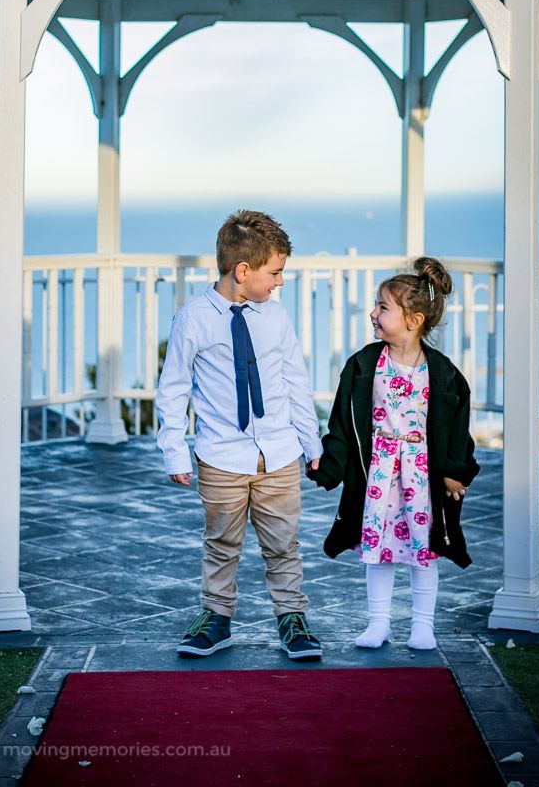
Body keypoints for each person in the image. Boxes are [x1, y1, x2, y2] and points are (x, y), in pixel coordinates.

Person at [156, 209, 324, 660]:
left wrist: (313, 445)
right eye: (276, 272)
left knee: (283, 543)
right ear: (243, 271)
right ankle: (217, 618)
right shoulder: (194, 319)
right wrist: (174, 452)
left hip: (279, 454)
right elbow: (172, 389)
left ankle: (292, 617)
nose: (280, 282)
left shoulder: (276, 318)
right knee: (222, 543)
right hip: (221, 457)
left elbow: (295, 382)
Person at [307, 256, 479, 651]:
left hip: (421, 476)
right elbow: (342, 424)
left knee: (425, 548)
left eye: (383, 307)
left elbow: (457, 428)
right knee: (378, 551)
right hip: (379, 475)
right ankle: (379, 623)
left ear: (414, 319)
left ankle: (423, 626)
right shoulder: (364, 365)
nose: (373, 313)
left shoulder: (445, 373)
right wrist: (329, 465)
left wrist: (455, 471)